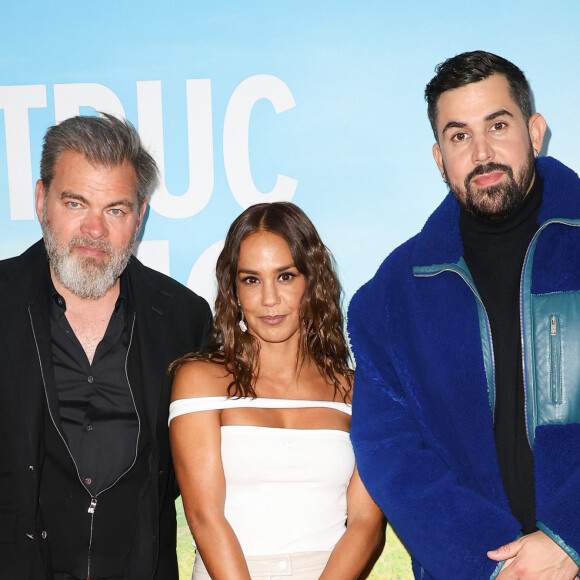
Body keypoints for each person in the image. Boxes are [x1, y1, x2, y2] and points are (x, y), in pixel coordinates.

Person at [348, 50, 580, 580]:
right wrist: (494, 566)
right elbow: (393, 456)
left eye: (498, 125)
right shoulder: (387, 300)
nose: (482, 152)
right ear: (438, 156)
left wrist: (569, 538)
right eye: (459, 136)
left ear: (536, 131)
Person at [0, 113, 212, 579]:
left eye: (115, 209)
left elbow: (188, 472)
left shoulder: (184, 318)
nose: (95, 231)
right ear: (41, 200)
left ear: (139, 217)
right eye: (76, 204)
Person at [169, 202, 384, 579]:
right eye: (251, 279)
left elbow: (366, 523)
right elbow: (204, 516)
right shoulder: (199, 379)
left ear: (312, 282)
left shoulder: (357, 390)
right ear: (234, 290)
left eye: (284, 277)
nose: (269, 299)